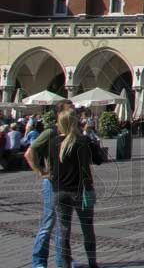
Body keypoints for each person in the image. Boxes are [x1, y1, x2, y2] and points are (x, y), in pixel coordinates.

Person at [26, 99, 75, 268]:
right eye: (70, 110)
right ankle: (38, 261)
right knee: (48, 223)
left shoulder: (73, 132)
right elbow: (29, 152)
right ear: (59, 114)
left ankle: (62, 261)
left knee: (64, 226)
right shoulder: (50, 132)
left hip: (68, 183)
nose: (73, 113)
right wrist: (41, 172)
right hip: (52, 183)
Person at [46, 111, 98, 268]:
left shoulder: (53, 142)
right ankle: (92, 263)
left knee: (63, 230)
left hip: (59, 191)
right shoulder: (83, 140)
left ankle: (64, 265)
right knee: (87, 228)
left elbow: (50, 167)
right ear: (76, 123)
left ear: (59, 123)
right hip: (81, 191)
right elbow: (100, 158)